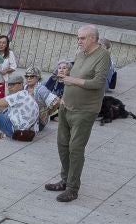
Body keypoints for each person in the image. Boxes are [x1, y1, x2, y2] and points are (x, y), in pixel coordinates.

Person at [46, 24, 110, 203]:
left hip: (84, 110)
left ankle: (72, 188)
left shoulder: (103, 56)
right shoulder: (80, 54)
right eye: (78, 38)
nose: (78, 41)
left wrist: (71, 79)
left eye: (82, 38)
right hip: (67, 106)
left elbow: (98, 83)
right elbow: (75, 76)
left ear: (92, 38)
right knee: (62, 145)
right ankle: (65, 180)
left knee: (75, 148)